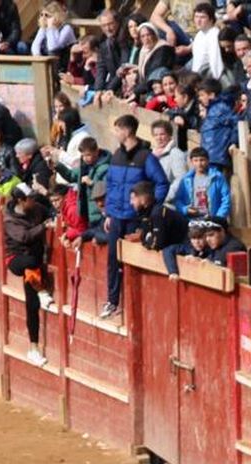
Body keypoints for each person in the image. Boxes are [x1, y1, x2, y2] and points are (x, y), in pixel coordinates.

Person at [101, 114, 169, 318]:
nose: (115, 133)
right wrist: (109, 213)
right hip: (116, 217)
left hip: (135, 218)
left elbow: (162, 183)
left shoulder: (146, 157)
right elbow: (111, 186)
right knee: (113, 259)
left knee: (134, 261)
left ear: (127, 131)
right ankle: (112, 301)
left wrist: (149, 209)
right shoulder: (116, 156)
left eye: (117, 129)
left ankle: (133, 305)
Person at [2, 189, 53, 366]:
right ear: (21, 201)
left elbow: (51, 211)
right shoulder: (9, 219)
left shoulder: (37, 208)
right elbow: (24, 237)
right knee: (30, 261)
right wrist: (44, 227)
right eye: (30, 198)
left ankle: (33, 348)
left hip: (34, 267)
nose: (34, 201)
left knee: (32, 305)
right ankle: (41, 290)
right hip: (16, 260)